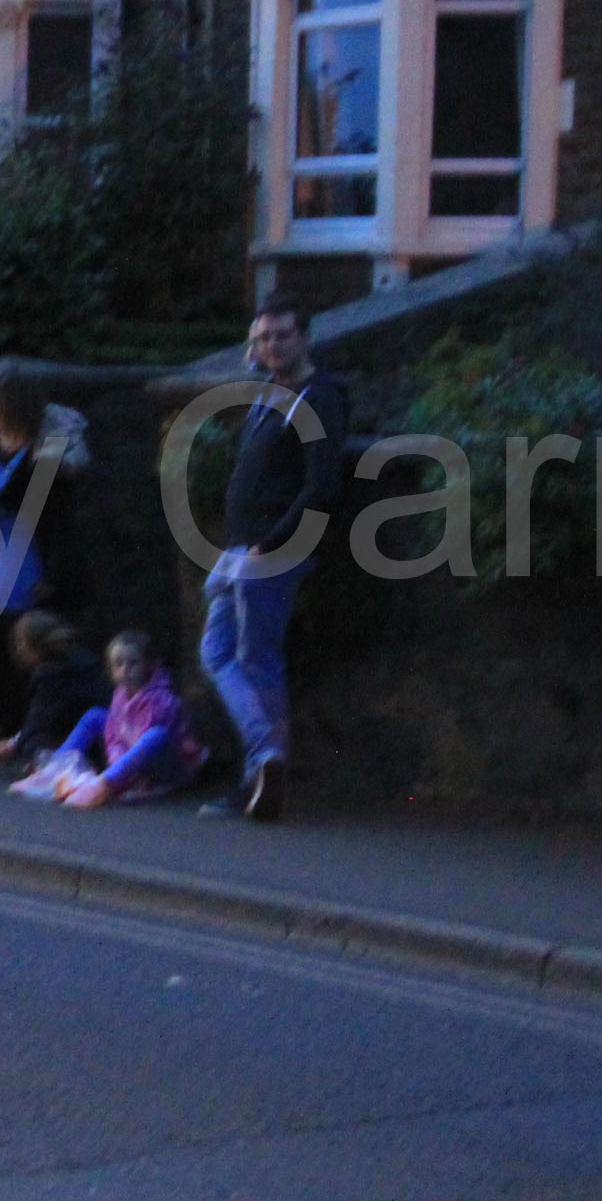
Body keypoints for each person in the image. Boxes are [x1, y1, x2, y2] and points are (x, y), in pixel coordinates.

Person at [197, 296, 349, 823]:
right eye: (262, 337)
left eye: (282, 335)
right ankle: (262, 768)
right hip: (243, 549)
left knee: (252, 659)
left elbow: (322, 486)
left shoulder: (318, 398)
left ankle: (263, 765)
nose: (272, 345)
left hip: (270, 550)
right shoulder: (270, 393)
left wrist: (270, 544)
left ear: (305, 337)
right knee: (219, 652)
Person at [0, 364, 90, 757]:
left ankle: (8, 724)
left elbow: (55, 516)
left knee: (5, 640)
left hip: (18, 556)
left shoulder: (40, 454)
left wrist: (54, 575)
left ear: (11, 404)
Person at [9, 630, 209, 809]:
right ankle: (55, 768)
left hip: (168, 766)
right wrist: (118, 764)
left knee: (156, 735)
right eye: (118, 664)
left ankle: (106, 783)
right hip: (131, 760)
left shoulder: (161, 700)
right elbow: (114, 738)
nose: (125, 670)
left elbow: (149, 746)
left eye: (133, 663)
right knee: (96, 715)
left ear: (148, 665)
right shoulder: (120, 694)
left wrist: (130, 775)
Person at [0, 609, 98, 770]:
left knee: (33, 742)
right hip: (94, 741)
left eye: (20, 644)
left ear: (31, 645)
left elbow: (38, 722)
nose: (18, 650)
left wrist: (14, 745)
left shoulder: (49, 675)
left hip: (80, 745)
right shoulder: (83, 659)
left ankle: (47, 765)